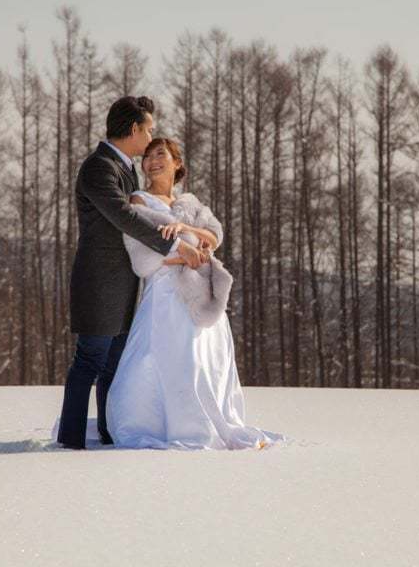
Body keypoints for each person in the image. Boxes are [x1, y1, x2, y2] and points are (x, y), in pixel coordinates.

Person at [105, 138, 284, 450]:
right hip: (165, 294)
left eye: (160, 154)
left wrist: (193, 236)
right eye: (147, 156)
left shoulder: (192, 203)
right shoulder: (139, 201)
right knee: (171, 359)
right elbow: (141, 254)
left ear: (177, 163)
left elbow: (214, 235)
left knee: (207, 361)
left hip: (201, 295)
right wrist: (184, 253)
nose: (151, 161)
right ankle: (172, 424)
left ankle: (213, 420)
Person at [56, 97, 207, 450]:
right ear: (135, 128)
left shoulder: (122, 168)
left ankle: (111, 435)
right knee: (90, 360)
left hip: (123, 284)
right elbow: (124, 217)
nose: (151, 136)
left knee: (114, 365)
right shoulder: (99, 168)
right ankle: (71, 440)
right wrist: (175, 247)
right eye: (149, 129)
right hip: (99, 282)